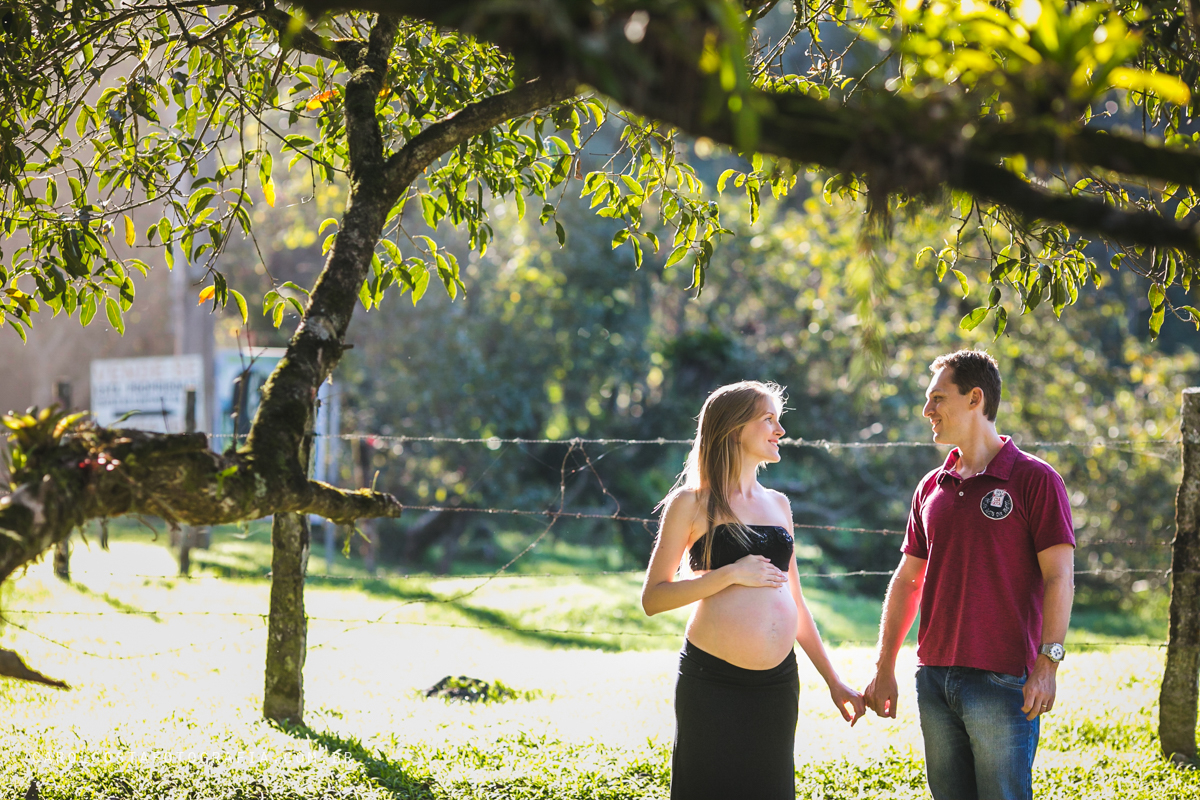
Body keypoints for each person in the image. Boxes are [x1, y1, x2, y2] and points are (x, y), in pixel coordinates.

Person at [863, 350, 1075, 800]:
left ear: (975, 398)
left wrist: (1048, 664)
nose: (927, 411)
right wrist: (884, 668)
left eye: (937, 398)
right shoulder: (930, 486)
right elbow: (907, 580)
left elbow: (1059, 577)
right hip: (934, 678)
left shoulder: (1035, 479)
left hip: (1003, 682)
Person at [641, 380, 864, 800]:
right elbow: (653, 597)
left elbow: (795, 601)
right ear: (733, 428)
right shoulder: (691, 503)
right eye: (768, 420)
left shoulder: (779, 504)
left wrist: (834, 681)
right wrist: (729, 574)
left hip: (778, 685)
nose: (780, 430)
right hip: (712, 681)